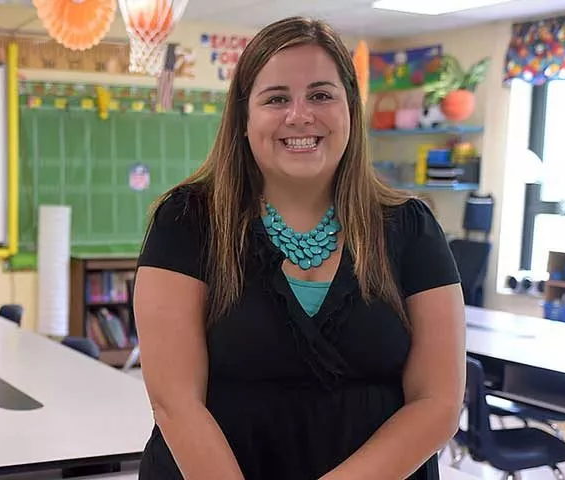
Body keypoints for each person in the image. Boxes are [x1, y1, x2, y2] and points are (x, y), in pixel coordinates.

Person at [132, 16, 466, 480]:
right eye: (276, 99)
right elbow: (175, 402)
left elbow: (439, 401)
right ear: (244, 119)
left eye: (321, 95)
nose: (300, 115)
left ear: (350, 108)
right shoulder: (188, 221)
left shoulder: (412, 228)